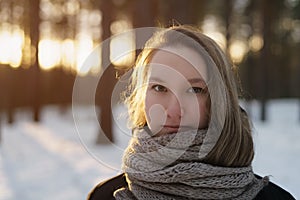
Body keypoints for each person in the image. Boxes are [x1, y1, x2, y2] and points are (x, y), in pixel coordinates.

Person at [87, 25, 295, 200]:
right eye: (159, 88)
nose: (173, 110)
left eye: (195, 90)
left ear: (220, 100)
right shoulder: (104, 196)